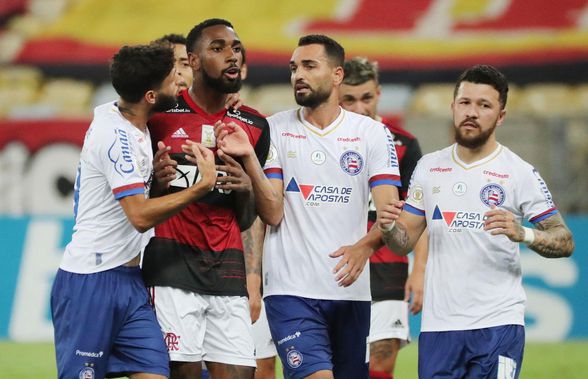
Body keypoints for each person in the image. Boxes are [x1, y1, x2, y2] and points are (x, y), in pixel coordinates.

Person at [217, 34, 401, 379]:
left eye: (309, 66)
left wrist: (365, 246)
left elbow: (390, 214)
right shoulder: (275, 129)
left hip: (351, 292)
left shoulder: (373, 134)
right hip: (291, 291)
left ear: (337, 75)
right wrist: (254, 275)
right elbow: (271, 212)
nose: (297, 75)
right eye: (293, 68)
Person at [378, 64, 575, 379]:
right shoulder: (429, 168)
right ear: (453, 107)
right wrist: (388, 227)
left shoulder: (518, 172)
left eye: (484, 105)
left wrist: (523, 233)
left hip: (497, 325)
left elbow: (564, 239)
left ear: (500, 116)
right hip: (438, 327)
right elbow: (404, 243)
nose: (472, 112)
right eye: (465, 102)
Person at [50, 44, 217, 379]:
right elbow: (139, 217)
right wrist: (200, 188)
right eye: (173, 80)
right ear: (152, 96)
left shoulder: (132, 124)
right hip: (91, 281)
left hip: (129, 282)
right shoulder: (117, 137)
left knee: (156, 373)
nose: (180, 84)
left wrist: (156, 182)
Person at [141, 18, 270, 379]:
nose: (231, 56)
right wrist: (156, 183)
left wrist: (245, 188)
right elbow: (138, 205)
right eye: (217, 48)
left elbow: (246, 218)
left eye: (236, 48)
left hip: (227, 273)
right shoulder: (159, 117)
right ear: (193, 61)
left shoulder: (254, 124)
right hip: (171, 270)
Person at [339, 56, 428, 379]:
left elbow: (419, 216)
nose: (360, 107)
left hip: (389, 268)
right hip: (338, 267)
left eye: (366, 97)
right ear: (336, 96)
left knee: (380, 366)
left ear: (378, 93)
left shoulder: (404, 145)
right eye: (349, 99)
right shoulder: (322, 142)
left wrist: (418, 270)